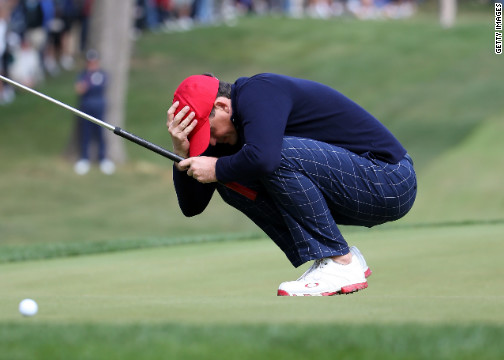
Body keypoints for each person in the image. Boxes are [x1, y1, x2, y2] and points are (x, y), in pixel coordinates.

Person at [166, 73, 417, 296]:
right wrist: (183, 151)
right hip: (359, 188)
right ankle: (332, 259)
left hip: (388, 178)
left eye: (209, 132)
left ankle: (340, 261)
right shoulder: (231, 130)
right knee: (231, 178)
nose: (212, 141)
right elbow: (192, 206)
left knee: (270, 156)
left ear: (222, 105)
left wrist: (217, 167)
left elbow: (266, 158)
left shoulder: (258, 91)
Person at [73, 49, 115, 175]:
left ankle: (103, 158)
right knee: (85, 133)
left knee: (100, 133)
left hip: (99, 108)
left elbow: (101, 85)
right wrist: (88, 83)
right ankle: (84, 158)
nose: (92, 64)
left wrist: (88, 85)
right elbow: (79, 89)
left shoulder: (102, 74)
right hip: (86, 107)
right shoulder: (83, 74)